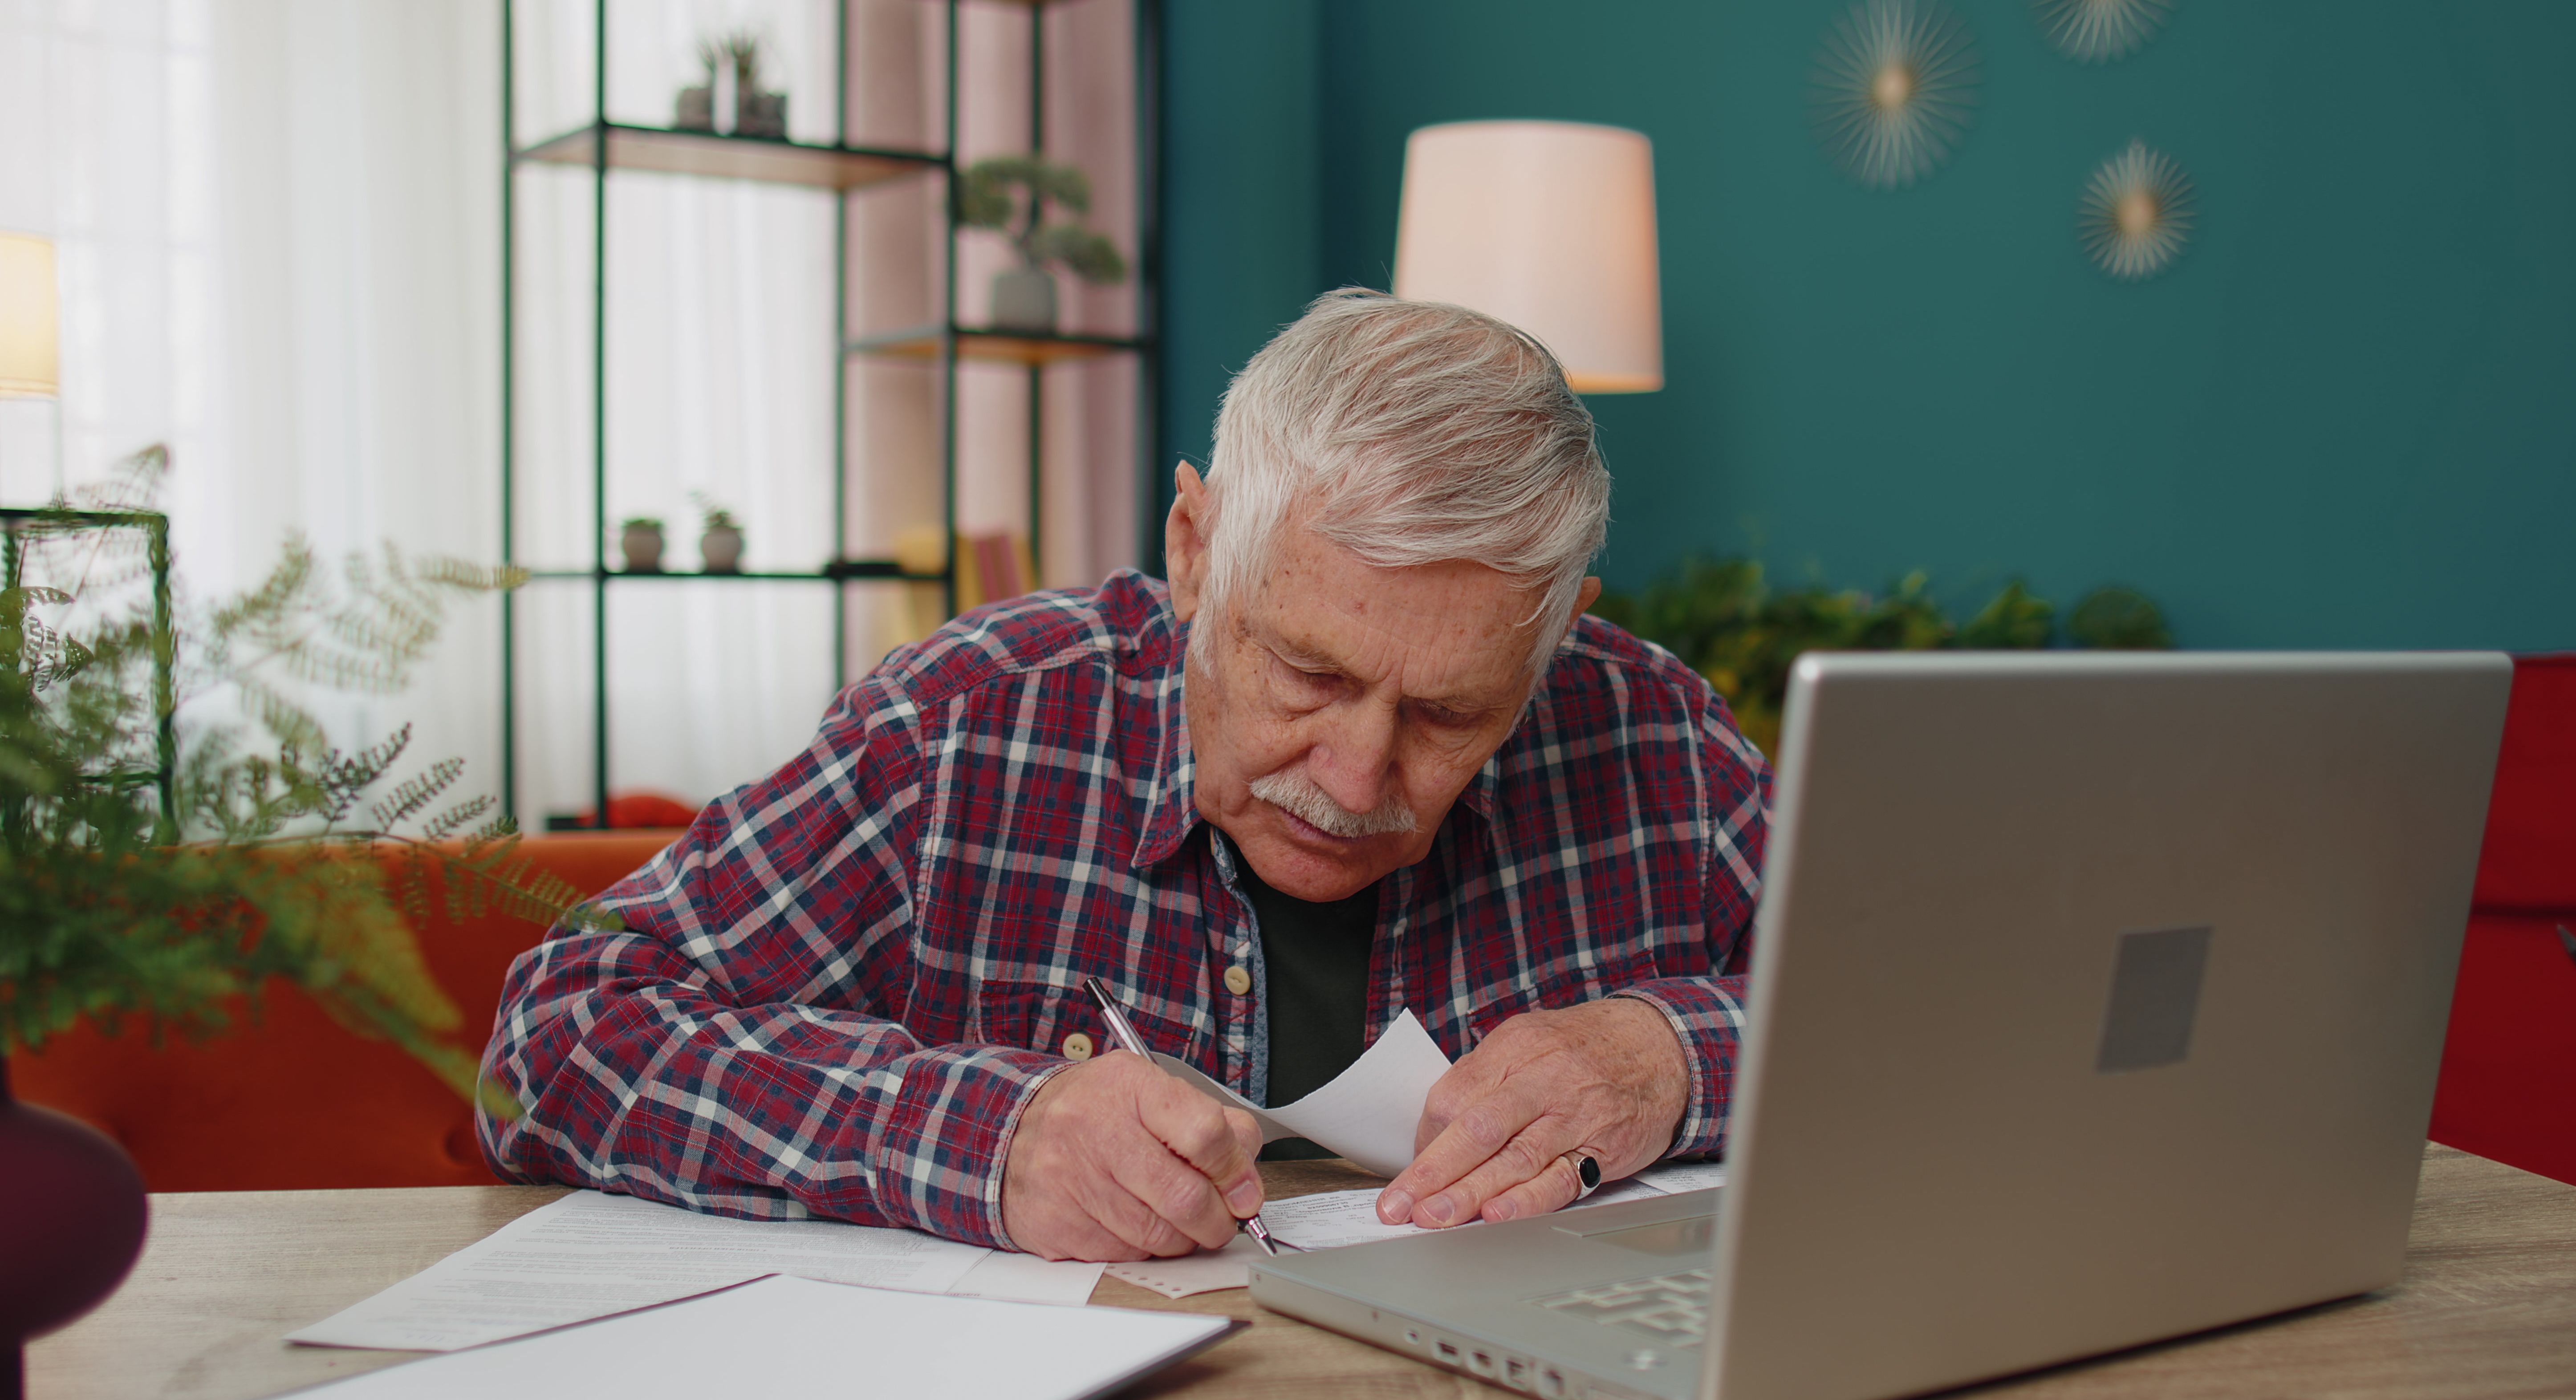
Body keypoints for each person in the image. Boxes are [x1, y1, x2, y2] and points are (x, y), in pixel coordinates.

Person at [481, 289, 1770, 1262]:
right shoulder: (971, 725)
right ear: (1195, 550)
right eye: (1306, 672)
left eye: (1448, 711)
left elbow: (1945, 1015)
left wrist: (1675, 1056)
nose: (1357, 769)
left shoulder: (1648, 735)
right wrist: (986, 1136)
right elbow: (555, 1041)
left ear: (1554, 635)